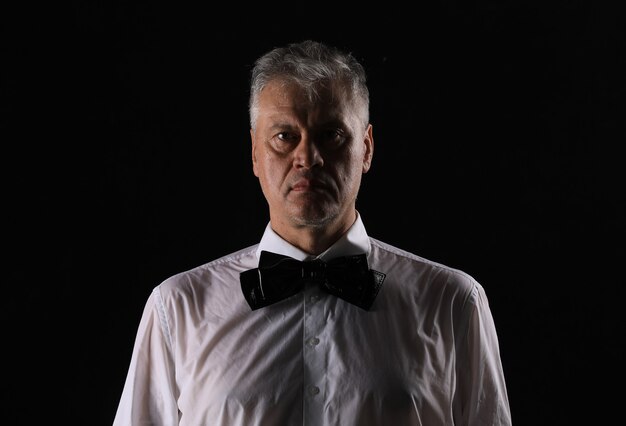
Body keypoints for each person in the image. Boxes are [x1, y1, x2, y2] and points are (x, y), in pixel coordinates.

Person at [112, 40, 512, 425]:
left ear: (367, 149)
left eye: (331, 135)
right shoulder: (177, 308)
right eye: (285, 136)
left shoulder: (454, 303)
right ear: (255, 152)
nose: (308, 158)